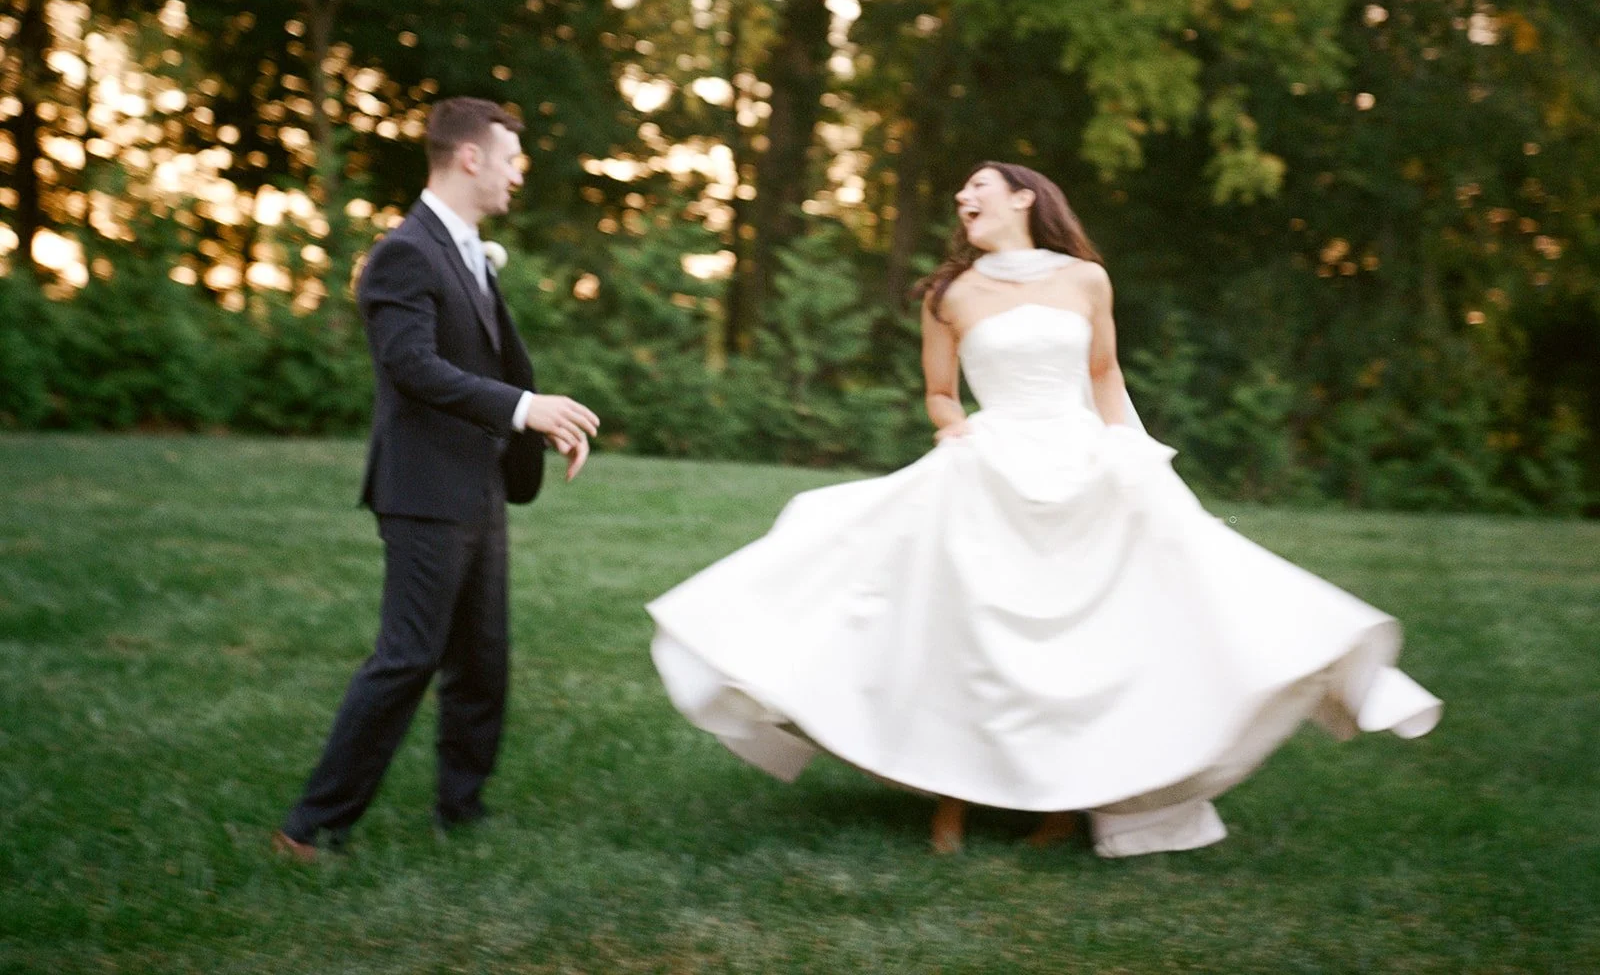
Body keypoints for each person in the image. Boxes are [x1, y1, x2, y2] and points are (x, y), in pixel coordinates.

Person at [647, 162, 1441, 858]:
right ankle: (953, 792)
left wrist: (1133, 457)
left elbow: (1102, 376)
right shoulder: (948, 293)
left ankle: (1065, 798)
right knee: (972, 627)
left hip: (1081, 459)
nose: (963, 196)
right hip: (989, 463)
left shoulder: (1085, 280)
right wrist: (952, 430)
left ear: (1024, 198)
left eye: (979, 186)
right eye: (962, 191)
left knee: (1095, 630)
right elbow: (937, 390)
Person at [273, 97, 599, 860]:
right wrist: (527, 409)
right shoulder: (405, 252)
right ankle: (311, 827)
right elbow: (412, 367)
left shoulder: (467, 248)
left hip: (477, 482)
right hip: (422, 489)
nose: (521, 175)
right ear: (471, 158)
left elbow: (480, 364)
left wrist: (530, 428)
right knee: (409, 655)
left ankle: (462, 808)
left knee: (483, 658)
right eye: (514, 159)